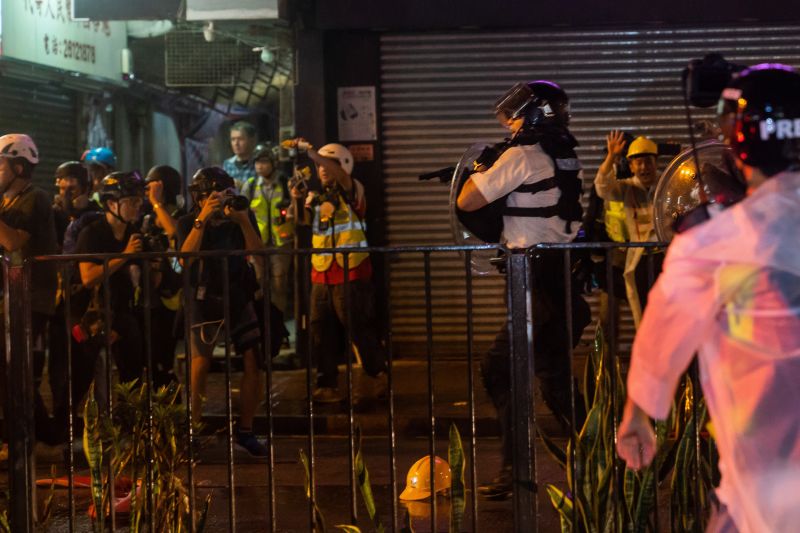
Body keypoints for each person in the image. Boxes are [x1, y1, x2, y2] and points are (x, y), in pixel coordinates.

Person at [617, 64, 800, 533]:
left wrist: (639, 413)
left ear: (740, 142)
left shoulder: (713, 242)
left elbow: (664, 332)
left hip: (764, 492)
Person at [456, 81, 591, 499]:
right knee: (554, 382)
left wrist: (480, 170)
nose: (509, 125)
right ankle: (606, 459)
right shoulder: (565, 158)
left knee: (500, 370)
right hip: (559, 281)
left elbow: (468, 201)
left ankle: (518, 472)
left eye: (514, 117)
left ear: (533, 116)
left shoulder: (522, 156)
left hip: (534, 285)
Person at [177, 167, 268, 457]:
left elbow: (258, 251)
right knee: (200, 362)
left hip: (238, 294)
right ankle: (192, 429)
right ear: (200, 198)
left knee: (253, 359)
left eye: (224, 194)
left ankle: (246, 431)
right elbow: (185, 259)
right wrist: (203, 219)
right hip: (203, 296)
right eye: (213, 196)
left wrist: (242, 221)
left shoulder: (239, 217)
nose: (220, 201)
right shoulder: (188, 221)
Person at [287, 140, 387, 404]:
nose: (322, 169)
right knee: (321, 331)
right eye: (319, 164)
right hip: (321, 273)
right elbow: (301, 222)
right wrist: (296, 200)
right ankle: (326, 384)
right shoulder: (316, 197)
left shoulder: (353, 190)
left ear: (342, 164)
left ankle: (376, 375)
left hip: (352, 270)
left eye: (326, 163)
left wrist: (310, 152)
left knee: (358, 328)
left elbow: (342, 177)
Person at [0, 134, 59, 443]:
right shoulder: (5, 201)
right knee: (9, 369)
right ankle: (39, 436)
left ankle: (28, 438)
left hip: (32, 297)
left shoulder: (35, 198)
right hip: (9, 296)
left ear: (19, 168)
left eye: (0, 165)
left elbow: (13, 241)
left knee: (15, 369)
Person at [74, 172, 149, 406]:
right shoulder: (92, 233)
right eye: (131, 202)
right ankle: (69, 430)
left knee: (132, 374)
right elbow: (88, 278)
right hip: (90, 315)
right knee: (81, 378)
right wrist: (124, 256)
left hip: (121, 313)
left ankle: (128, 429)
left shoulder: (133, 232)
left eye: (139, 201)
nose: (137, 207)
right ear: (111, 204)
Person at [594, 133, 664, 327]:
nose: (644, 167)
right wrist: (611, 157)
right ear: (631, 166)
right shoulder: (624, 188)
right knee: (644, 316)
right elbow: (602, 187)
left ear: (656, 162)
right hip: (638, 261)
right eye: (638, 163)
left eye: (648, 162)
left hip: (666, 259)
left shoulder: (667, 186)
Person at [240, 144, 293, 315]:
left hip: (281, 243)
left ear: (273, 163)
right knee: (258, 282)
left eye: (264, 162)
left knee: (279, 285)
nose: (260, 166)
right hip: (258, 243)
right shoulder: (251, 185)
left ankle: (278, 324)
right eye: (257, 162)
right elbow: (242, 212)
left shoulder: (285, 183)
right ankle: (261, 322)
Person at [222, 121, 258, 191]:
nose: (236, 143)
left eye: (240, 139)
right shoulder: (227, 164)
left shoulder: (259, 162)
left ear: (252, 140)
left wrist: (243, 186)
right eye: (233, 139)